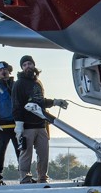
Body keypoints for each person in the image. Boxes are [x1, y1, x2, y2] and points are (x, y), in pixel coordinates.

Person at [12, 55, 67, 183]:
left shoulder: (38, 83)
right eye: (24, 65)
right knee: (26, 153)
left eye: (29, 64)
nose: (27, 66)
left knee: (44, 154)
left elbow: (40, 102)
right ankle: (25, 177)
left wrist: (55, 102)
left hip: (41, 125)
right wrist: (19, 124)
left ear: (34, 65)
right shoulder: (19, 84)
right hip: (27, 126)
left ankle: (42, 177)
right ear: (22, 68)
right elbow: (16, 104)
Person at [0, 61, 21, 186]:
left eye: (5, 69)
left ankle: (24, 175)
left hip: (17, 123)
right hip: (2, 125)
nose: (3, 71)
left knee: (21, 151)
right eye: (0, 70)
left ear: (9, 70)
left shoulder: (16, 85)